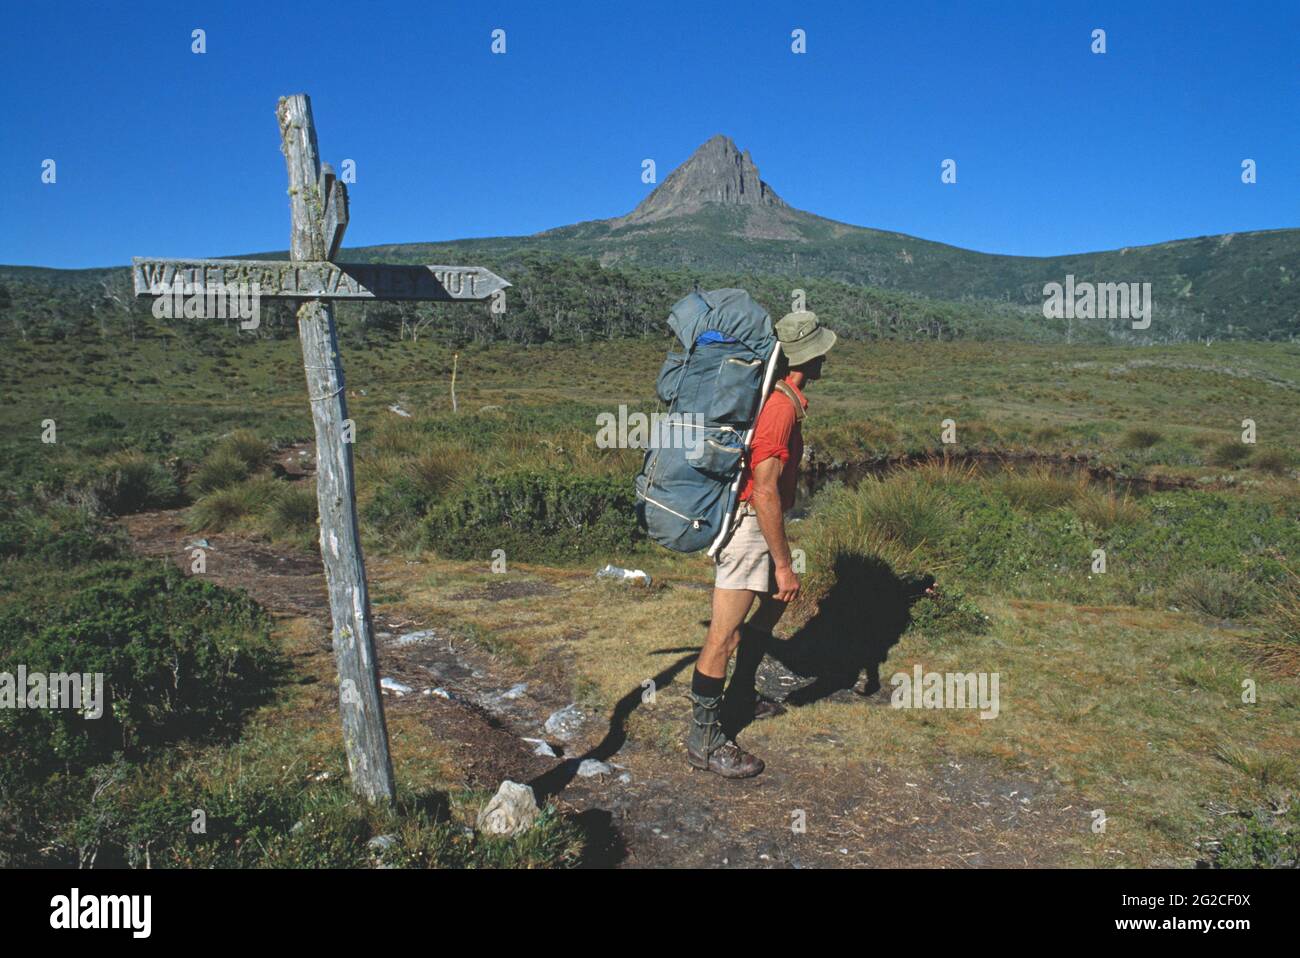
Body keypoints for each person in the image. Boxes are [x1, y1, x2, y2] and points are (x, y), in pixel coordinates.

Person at [686, 310, 837, 778]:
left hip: (762, 527)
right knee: (723, 636)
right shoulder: (780, 408)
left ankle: (743, 695)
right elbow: (765, 489)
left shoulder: (788, 398)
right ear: (807, 357)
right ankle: (705, 740)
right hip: (751, 528)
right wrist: (784, 562)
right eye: (822, 350)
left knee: (772, 605)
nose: (827, 356)